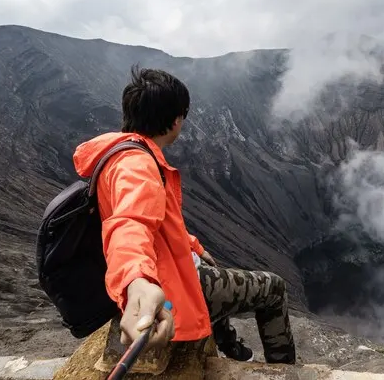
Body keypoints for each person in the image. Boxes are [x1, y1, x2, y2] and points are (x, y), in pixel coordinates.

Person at [71, 66, 296, 364]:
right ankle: (284, 368)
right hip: (165, 284)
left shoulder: (119, 152)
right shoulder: (138, 166)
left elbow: (154, 222)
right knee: (273, 288)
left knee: (210, 268)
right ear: (176, 120)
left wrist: (194, 246)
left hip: (161, 266)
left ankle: (229, 347)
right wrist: (137, 281)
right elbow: (130, 223)